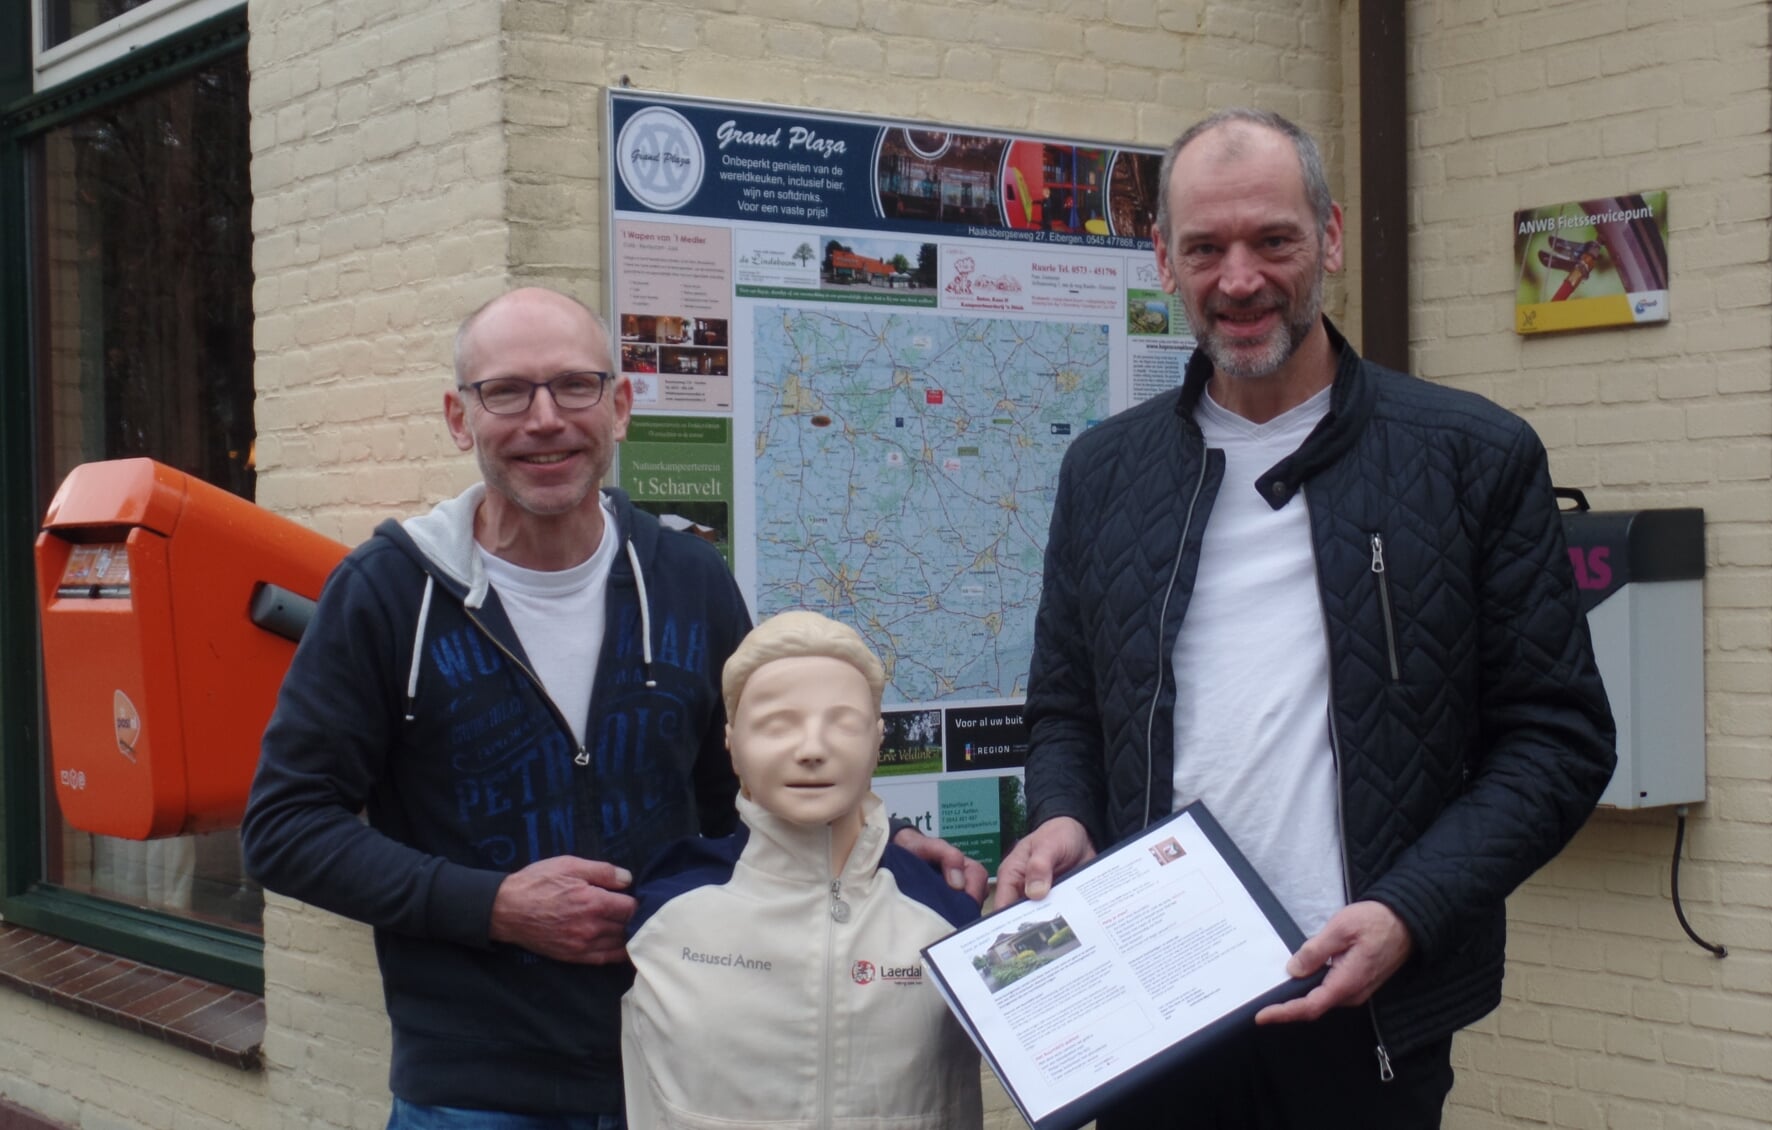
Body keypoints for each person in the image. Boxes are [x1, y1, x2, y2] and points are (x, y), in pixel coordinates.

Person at [994, 110, 1617, 1128]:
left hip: (1360, 994)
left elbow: (1559, 738)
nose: (1239, 278)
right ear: (1164, 259)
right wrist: (1064, 811)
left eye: (1272, 240)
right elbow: (1066, 706)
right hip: (1158, 1002)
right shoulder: (1104, 471)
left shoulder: (1472, 457)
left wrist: (1408, 910)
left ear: (1328, 239)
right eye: (1205, 247)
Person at [242, 288, 985, 1129]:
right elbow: (285, 827)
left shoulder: (689, 581)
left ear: (620, 405)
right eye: (508, 391)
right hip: (476, 1092)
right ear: (460, 418)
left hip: (679, 1067)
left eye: (575, 386)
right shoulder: (386, 594)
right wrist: (492, 907)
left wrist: (874, 850)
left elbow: (743, 797)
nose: (546, 418)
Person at [619, 610, 982, 1129]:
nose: (812, 750)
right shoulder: (666, 911)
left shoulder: (943, 916)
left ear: (879, 740)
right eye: (776, 725)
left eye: (843, 723)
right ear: (731, 743)